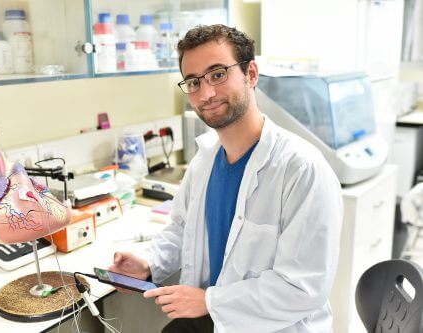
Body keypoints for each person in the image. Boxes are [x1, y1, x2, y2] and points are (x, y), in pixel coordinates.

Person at [109, 24, 343, 333]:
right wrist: (148, 262)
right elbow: (181, 231)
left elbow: (302, 288)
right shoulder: (204, 160)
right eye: (193, 82)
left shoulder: (301, 169)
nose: (206, 93)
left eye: (218, 74)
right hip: (214, 320)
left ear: (251, 74)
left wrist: (209, 302)